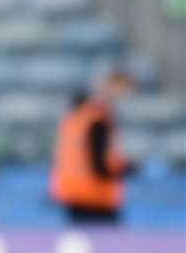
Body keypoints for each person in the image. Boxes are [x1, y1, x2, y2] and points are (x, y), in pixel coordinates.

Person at [50, 69, 137, 224]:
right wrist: (126, 168)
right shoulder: (97, 120)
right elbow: (99, 165)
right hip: (94, 196)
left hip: (73, 193)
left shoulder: (77, 115)